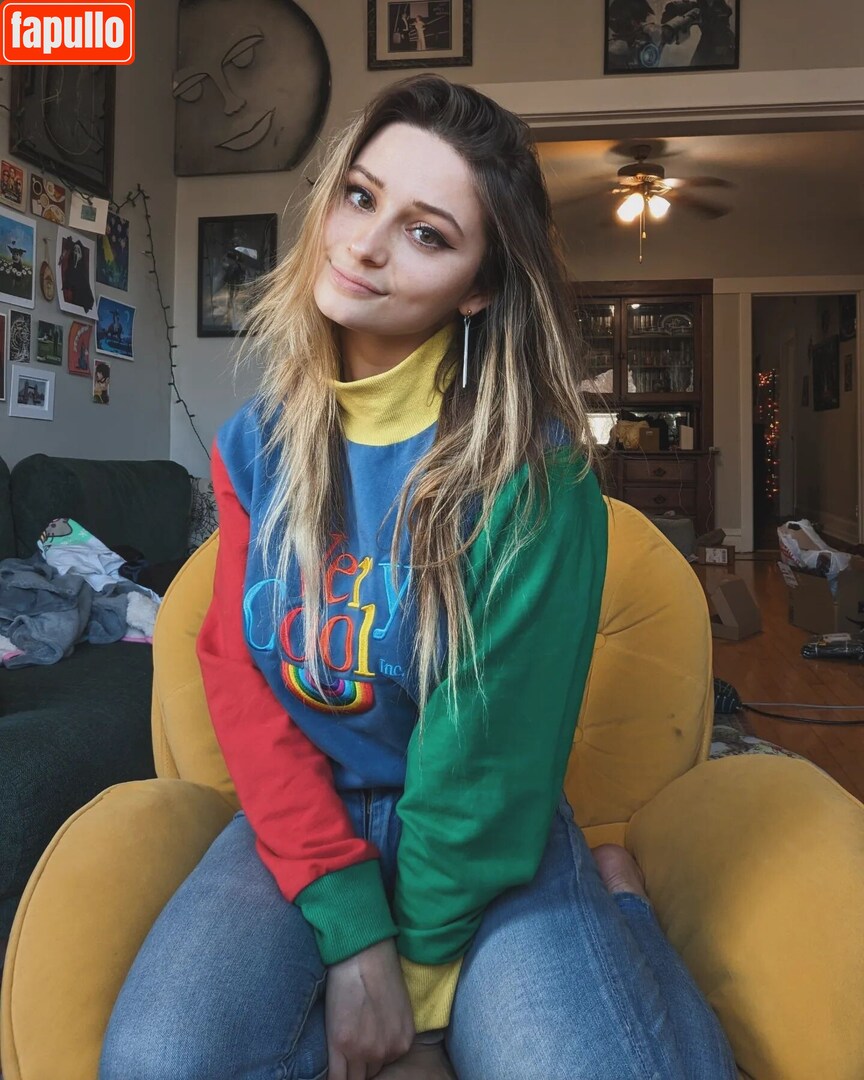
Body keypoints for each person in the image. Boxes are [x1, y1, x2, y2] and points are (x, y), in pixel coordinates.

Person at [99, 75, 738, 1080]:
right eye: (360, 197)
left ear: (478, 284)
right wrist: (350, 930)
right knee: (158, 1060)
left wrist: (420, 1004)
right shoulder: (254, 448)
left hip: (486, 832)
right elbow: (237, 674)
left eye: (427, 233)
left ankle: (622, 905)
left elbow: (488, 764)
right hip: (311, 819)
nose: (364, 245)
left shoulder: (536, 477)